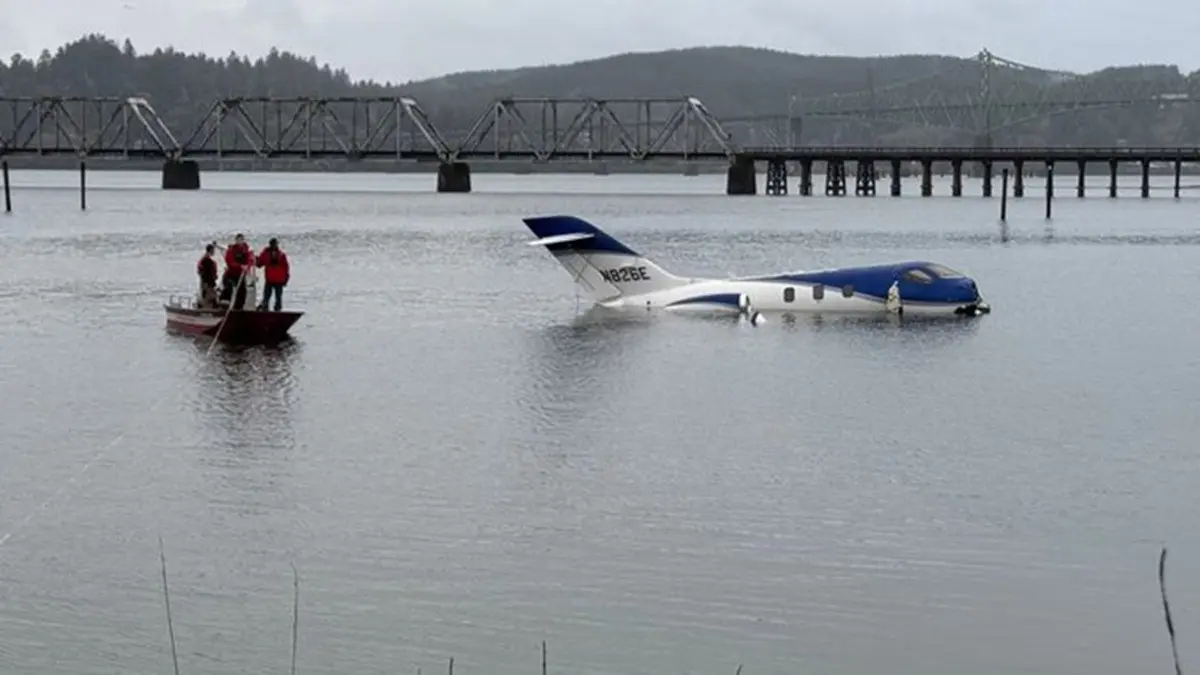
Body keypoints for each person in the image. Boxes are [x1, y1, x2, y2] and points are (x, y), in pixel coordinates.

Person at [221, 233, 255, 310]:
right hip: (231, 273)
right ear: (236, 240)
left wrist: (247, 266)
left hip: (240, 274)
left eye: (241, 240)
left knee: (242, 291)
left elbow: (250, 260)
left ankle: (238, 307)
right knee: (228, 286)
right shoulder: (232, 250)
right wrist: (240, 266)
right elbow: (229, 261)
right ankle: (224, 304)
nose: (240, 242)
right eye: (238, 240)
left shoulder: (246, 250)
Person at [256, 237, 290, 311]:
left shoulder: (281, 255)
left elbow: (286, 267)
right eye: (273, 244)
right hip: (271, 279)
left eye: (275, 244)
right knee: (268, 296)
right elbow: (259, 263)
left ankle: (274, 309)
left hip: (278, 279)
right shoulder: (267, 253)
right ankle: (267, 308)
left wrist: (286, 279)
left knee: (276, 297)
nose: (274, 246)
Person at [196, 243, 219, 308]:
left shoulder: (205, 259)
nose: (214, 252)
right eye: (213, 251)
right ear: (211, 250)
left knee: (211, 296)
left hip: (208, 282)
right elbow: (205, 273)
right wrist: (208, 282)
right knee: (211, 297)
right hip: (207, 283)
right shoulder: (206, 260)